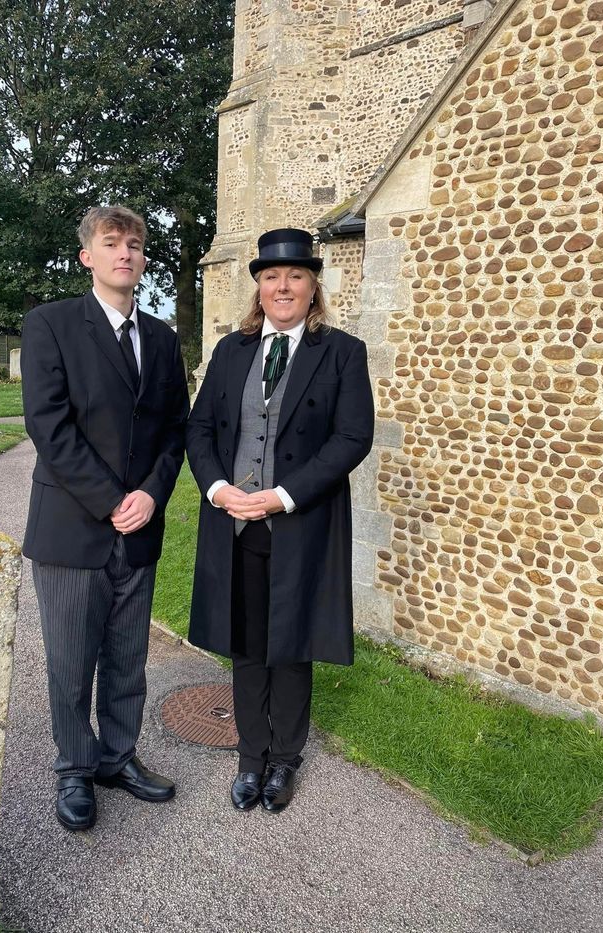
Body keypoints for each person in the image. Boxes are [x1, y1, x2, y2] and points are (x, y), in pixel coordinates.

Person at [186, 228, 374, 813]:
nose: (282, 286)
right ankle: (250, 756)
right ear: (259, 287)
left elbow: (351, 438)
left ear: (313, 284)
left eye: (294, 275)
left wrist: (283, 496)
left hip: (299, 523)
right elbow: (199, 430)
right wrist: (219, 489)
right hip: (235, 523)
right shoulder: (230, 351)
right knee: (246, 643)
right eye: (271, 276)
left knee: (290, 644)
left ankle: (285, 758)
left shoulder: (342, 352)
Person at [21, 205, 189, 831]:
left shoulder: (164, 339)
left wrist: (150, 494)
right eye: (112, 243)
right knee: (70, 662)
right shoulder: (51, 325)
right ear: (87, 256)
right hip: (73, 528)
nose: (126, 253)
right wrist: (110, 499)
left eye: (136, 244)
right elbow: (48, 424)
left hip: (139, 529)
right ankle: (74, 767)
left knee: (127, 658)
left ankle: (118, 757)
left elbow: (176, 430)